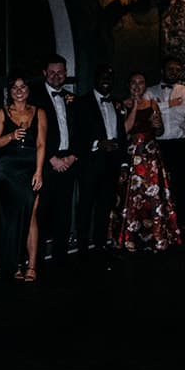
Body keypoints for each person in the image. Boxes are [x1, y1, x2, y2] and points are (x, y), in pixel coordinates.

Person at [108, 71, 181, 252]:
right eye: (133, 82)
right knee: (129, 197)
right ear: (128, 85)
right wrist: (133, 107)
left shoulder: (153, 104)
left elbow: (159, 132)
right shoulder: (121, 105)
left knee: (152, 197)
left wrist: (158, 125)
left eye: (141, 83)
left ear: (145, 86)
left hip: (150, 156)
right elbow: (124, 130)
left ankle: (154, 237)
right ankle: (128, 237)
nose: (137, 86)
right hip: (131, 155)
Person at [0, 73, 47, 281]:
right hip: (8, 170)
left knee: (31, 215)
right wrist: (11, 136)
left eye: (23, 87)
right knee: (11, 219)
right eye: (15, 87)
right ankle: (14, 265)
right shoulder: (1, 113)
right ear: (10, 91)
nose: (19, 90)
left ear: (28, 90)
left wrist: (39, 171)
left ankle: (31, 265)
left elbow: (41, 144)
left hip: (31, 168)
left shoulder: (39, 112)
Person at [71, 66, 123, 264]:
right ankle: (82, 248)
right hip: (90, 164)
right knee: (85, 206)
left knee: (104, 206)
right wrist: (97, 144)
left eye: (109, 77)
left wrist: (123, 162)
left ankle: (100, 245)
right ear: (95, 79)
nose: (106, 80)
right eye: (102, 77)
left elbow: (122, 134)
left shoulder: (116, 103)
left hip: (111, 164)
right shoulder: (82, 102)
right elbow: (75, 135)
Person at [34, 55, 80, 272]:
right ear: (44, 73)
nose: (56, 76)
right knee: (42, 214)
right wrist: (52, 159)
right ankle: (38, 262)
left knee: (64, 213)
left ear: (65, 72)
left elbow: (81, 131)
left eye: (60, 72)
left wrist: (71, 157)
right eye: (52, 72)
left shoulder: (72, 98)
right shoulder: (34, 98)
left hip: (68, 162)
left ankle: (61, 259)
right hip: (46, 163)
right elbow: (33, 133)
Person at [146, 55, 185, 244]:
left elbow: (184, 111)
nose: (174, 72)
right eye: (170, 69)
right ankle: (160, 229)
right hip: (160, 145)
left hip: (182, 146)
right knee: (159, 189)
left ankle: (180, 228)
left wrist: (158, 108)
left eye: (177, 69)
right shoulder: (150, 91)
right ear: (162, 71)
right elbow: (148, 111)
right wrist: (168, 105)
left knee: (180, 188)